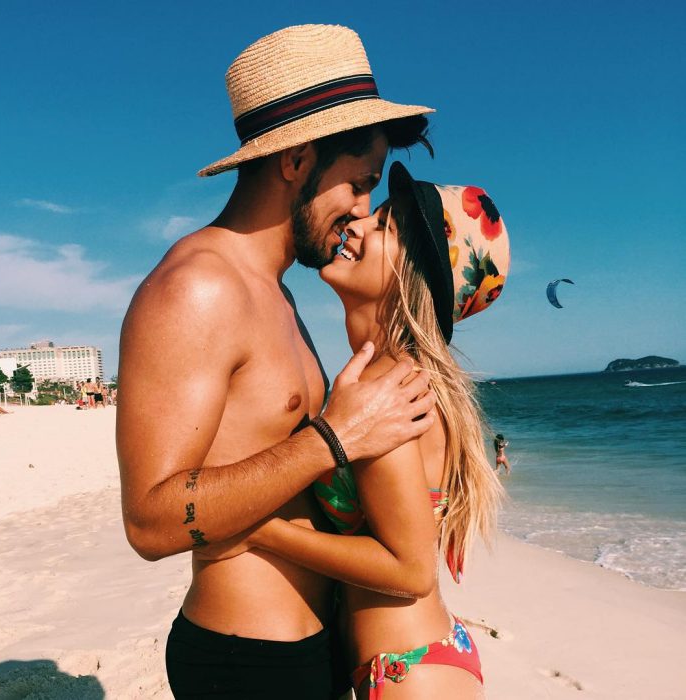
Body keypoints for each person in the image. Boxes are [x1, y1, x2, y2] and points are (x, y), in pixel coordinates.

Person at [117, 25, 436, 700]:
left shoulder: (278, 292)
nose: (360, 212)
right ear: (294, 160)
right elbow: (148, 521)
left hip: (312, 647)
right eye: (357, 183)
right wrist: (334, 438)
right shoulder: (198, 288)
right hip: (247, 664)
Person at [218, 163, 511, 698]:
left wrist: (256, 527)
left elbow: (408, 569)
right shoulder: (396, 377)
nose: (356, 224)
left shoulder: (390, 388)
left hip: (404, 674)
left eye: (385, 230)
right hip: (418, 654)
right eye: (375, 217)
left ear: (414, 277)